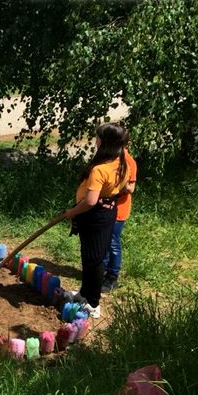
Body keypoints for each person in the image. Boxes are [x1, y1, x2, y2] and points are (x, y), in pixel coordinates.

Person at [63, 122, 130, 318]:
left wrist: (73, 212)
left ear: (105, 142)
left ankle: (93, 303)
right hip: (107, 212)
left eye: (98, 138)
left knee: (94, 260)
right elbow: (123, 187)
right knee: (90, 257)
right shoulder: (121, 163)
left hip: (94, 215)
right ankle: (84, 293)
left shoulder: (100, 169)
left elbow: (90, 201)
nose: (95, 141)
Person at [102, 135, 137, 292]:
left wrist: (115, 185)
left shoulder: (128, 161)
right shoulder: (109, 158)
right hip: (106, 208)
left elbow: (131, 188)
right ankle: (102, 271)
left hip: (119, 209)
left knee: (112, 242)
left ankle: (112, 277)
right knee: (104, 240)